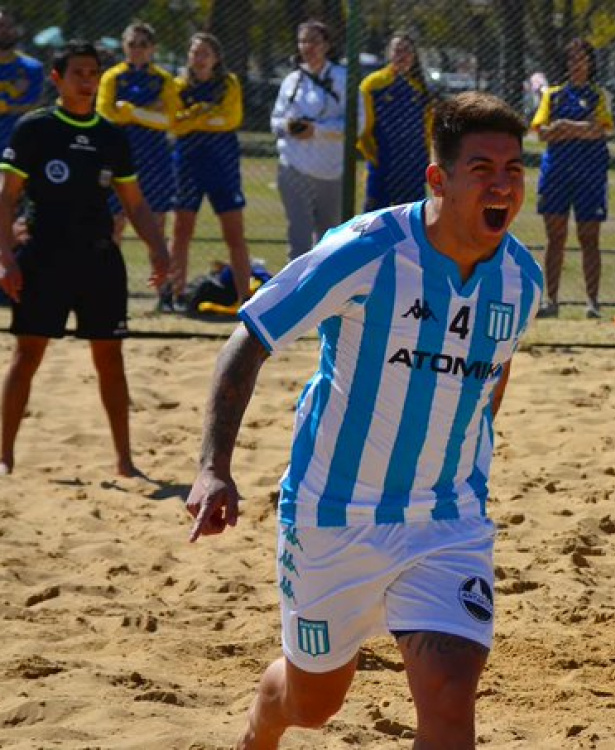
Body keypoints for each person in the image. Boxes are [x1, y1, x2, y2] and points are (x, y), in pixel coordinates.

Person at [184, 91, 541, 749]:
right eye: (483, 169)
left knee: (451, 698)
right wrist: (213, 467)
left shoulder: (522, 279)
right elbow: (251, 338)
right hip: (333, 515)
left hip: (447, 519)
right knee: (312, 702)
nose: (503, 185)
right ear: (438, 179)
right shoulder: (368, 249)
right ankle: (262, 723)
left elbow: (493, 371)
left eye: (514, 169)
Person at [0, 40, 170, 476]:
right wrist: (5, 257)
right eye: (77, 72)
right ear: (57, 78)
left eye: (93, 73)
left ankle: (125, 461)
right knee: (27, 354)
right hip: (43, 257)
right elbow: (6, 197)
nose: (87, 80)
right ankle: (4, 457)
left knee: (110, 358)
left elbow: (135, 204)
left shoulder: (110, 136)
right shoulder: (35, 129)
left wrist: (158, 248)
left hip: (98, 259)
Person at [531, 37, 614, 319]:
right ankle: (551, 300)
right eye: (572, 59)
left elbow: (599, 130)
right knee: (555, 237)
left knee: (589, 237)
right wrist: (581, 128)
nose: (577, 64)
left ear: (590, 64)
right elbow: (542, 132)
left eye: (582, 59)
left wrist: (565, 126)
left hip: (590, 174)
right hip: (557, 173)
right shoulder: (553, 95)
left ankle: (592, 302)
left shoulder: (598, 95)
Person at [168, 32, 251, 312]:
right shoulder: (178, 85)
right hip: (188, 165)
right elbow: (175, 124)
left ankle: (246, 299)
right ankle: (176, 295)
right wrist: (206, 114)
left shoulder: (228, 83)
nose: (199, 58)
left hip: (221, 165)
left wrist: (193, 116)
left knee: (234, 233)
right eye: (195, 53)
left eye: (205, 53)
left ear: (216, 58)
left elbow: (230, 119)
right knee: (181, 230)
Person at [271, 19, 354, 261]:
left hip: (331, 171)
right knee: (299, 238)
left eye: (314, 41)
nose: (308, 47)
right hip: (293, 166)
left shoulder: (343, 78)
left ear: (327, 45)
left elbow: (355, 124)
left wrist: (316, 130)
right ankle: (298, 284)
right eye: (303, 41)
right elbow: (275, 121)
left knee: (330, 240)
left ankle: (327, 284)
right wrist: (289, 127)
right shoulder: (292, 81)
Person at [96, 21, 179, 249]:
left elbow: (170, 120)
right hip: (118, 155)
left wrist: (132, 112)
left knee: (156, 223)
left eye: (143, 44)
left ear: (153, 48)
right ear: (124, 45)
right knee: (114, 223)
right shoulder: (112, 77)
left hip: (154, 157)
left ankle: (161, 272)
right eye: (132, 44)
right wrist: (151, 110)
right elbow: (106, 116)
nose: (137, 49)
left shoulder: (163, 79)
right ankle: (109, 272)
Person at [357, 32, 434, 212]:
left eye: (407, 50)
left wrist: (426, 159)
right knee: (375, 220)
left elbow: (428, 131)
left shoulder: (421, 88)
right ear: (388, 53)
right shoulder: (373, 84)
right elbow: (363, 127)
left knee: (412, 220)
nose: (402, 55)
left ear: (414, 56)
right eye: (397, 50)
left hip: (414, 168)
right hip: (383, 167)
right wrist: (374, 157)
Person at [0, 8, 43, 153]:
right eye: (1, 25)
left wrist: (7, 107)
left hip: (17, 145)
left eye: (10, 26)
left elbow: (34, 106)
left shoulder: (32, 68)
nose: (5, 30)